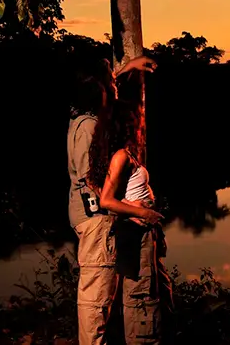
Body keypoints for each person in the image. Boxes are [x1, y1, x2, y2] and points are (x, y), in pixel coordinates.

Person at [67, 56, 159, 345]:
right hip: (95, 220)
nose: (114, 85)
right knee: (96, 300)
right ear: (99, 88)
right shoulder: (89, 126)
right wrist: (131, 208)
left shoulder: (85, 117)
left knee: (107, 295)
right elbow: (90, 183)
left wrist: (126, 69)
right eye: (110, 80)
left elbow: (100, 87)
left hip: (98, 218)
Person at [89, 94, 173, 344]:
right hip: (136, 234)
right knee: (142, 299)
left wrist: (132, 205)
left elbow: (97, 187)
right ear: (125, 124)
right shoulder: (121, 156)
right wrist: (142, 212)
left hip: (144, 235)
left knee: (158, 292)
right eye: (135, 120)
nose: (139, 125)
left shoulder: (122, 154)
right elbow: (105, 200)